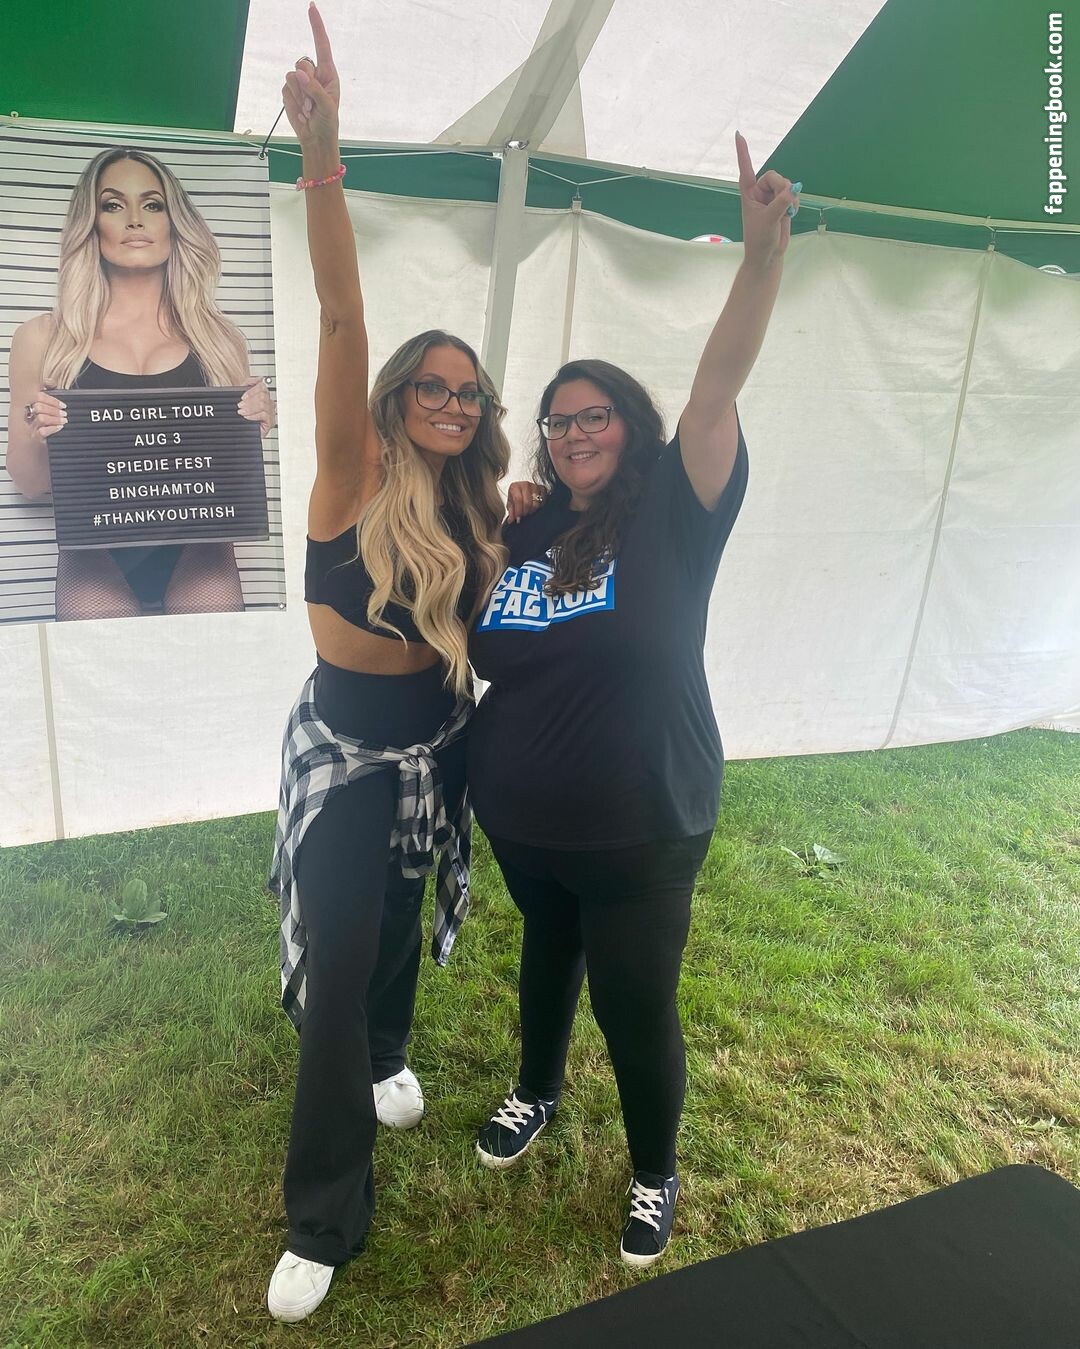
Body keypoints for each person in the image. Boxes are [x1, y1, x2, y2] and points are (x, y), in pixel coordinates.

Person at [469, 133, 799, 1268]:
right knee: (545, 954)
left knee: (633, 997)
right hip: (523, 816)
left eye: (594, 414)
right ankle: (535, 1089)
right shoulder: (524, 526)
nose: (574, 433)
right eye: (558, 421)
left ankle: (655, 1165)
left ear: (631, 423)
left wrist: (759, 259)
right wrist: (506, 511)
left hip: (643, 817)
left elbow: (718, 388)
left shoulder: (675, 511)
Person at [265, 5, 519, 1323]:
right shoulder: (351, 470)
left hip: (438, 741)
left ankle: (388, 1049)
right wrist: (324, 156)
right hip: (348, 748)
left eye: (470, 392)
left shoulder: (475, 506)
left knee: (401, 918)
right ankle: (324, 1213)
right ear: (396, 398)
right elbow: (341, 309)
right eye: (436, 386)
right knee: (343, 943)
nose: (454, 403)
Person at [5, 146, 274, 619]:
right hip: (94, 551)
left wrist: (252, 428)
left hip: (200, 547)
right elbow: (30, 486)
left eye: (152, 204)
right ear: (92, 224)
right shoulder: (44, 337)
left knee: (210, 655)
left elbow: (230, 484)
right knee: (101, 657)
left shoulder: (220, 339)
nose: (134, 220)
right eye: (113, 205)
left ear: (175, 222)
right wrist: (37, 431)